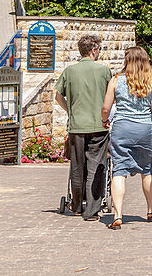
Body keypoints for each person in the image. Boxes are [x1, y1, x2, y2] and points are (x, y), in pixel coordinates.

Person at [102, 46, 152, 230]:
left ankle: (118, 214)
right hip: (143, 129)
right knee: (147, 169)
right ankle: (151, 210)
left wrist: (104, 120)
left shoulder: (116, 80)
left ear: (127, 60)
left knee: (119, 170)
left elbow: (106, 107)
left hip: (121, 128)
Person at [55, 34, 112, 220]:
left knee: (77, 167)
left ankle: (77, 205)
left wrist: (70, 111)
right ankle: (92, 210)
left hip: (76, 126)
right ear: (94, 50)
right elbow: (110, 98)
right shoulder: (104, 71)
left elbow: (58, 96)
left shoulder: (70, 71)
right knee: (96, 167)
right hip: (98, 125)